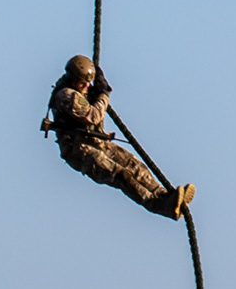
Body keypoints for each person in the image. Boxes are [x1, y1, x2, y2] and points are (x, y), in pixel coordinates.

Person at [42, 56, 193, 218]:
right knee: (121, 175)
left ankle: (165, 197)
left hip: (96, 142)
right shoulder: (66, 95)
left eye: (88, 82)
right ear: (72, 79)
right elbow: (93, 115)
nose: (86, 86)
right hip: (80, 151)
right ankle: (160, 206)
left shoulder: (81, 89)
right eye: (82, 83)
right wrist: (103, 95)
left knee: (134, 165)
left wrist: (97, 88)